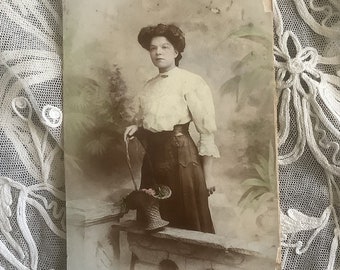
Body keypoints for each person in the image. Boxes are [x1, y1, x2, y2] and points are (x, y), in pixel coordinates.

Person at [124, 23, 220, 233]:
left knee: (187, 218)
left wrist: (209, 175)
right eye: (153, 48)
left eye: (165, 47)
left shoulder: (191, 81)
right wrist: (135, 127)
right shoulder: (148, 87)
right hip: (153, 160)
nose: (158, 52)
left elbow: (206, 131)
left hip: (181, 157)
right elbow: (150, 123)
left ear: (176, 52)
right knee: (154, 214)